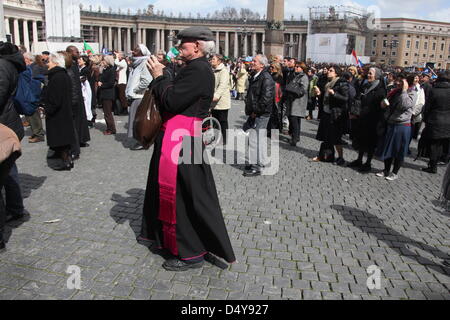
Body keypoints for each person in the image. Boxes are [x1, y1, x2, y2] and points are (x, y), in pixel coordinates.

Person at [141, 26, 236, 271]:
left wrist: (159, 76)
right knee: (177, 192)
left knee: (184, 195)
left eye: (183, 44)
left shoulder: (199, 69)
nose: (179, 47)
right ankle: (170, 241)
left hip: (183, 139)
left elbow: (171, 100)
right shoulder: (192, 67)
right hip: (177, 136)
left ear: (197, 46)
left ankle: (190, 253)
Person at [0, 42, 27, 250]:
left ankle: (15, 209)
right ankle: (16, 207)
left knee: (6, 173)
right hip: (9, 123)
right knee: (9, 171)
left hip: (4, 126)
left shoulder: (2, 66)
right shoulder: (10, 66)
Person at [375, 73, 417, 181]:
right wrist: (384, 103)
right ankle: (386, 170)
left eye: (401, 81)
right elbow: (386, 102)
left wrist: (404, 91)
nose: (398, 83)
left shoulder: (412, 93)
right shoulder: (394, 91)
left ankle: (394, 172)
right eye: (397, 81)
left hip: (402, 125)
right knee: (388, 148)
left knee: (398, 151)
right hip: (390, 122)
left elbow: (405, 105)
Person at [42, 53, 77, 171]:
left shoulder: (57, 77)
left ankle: (66, 162)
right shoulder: (63, 75)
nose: (48, 64)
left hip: (58, 114)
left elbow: (55, 99)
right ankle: (67, 161)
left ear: (56, 63)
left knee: (62, 140)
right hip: (63, 112)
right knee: (64, 141)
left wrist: (48, 109)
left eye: (50, 61)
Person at [348, 67, 386, 172]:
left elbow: (381, 107)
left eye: (370, 74)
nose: (368, 75)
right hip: (362, 118)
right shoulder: (365, 86)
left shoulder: (380, 90)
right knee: (361, 140)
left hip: (373, 120)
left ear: (377, 76)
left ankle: (368, 163)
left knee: (370, 143)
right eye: (368, 73)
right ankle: (359, 159)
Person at [244, 54, 275, 177]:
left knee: (255, 140)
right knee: (258, 139)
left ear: (262, 64)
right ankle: (258, 162)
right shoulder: (257, 76)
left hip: (260, 114)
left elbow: (266, 99)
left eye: (254, 61)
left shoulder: (266, 78)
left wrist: (255, 112)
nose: (252, 62)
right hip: (256, 112)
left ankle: (257, 166)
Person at [313, 65, 349, 165]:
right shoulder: (328, 83)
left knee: (336, 138)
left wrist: (334, 94)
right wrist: (319, 93)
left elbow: (345, 98)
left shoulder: (342, 83)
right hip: (326, 112)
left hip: (335, 114)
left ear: (336, 73)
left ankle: (341, 158)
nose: (328, 72)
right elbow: (325, 98)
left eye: (331, 70)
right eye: (328, 70)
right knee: (326, 136)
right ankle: (326, 156)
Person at [420, 70, 450, 173]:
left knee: (434, 144)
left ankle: (432, 166)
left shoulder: (434, 90)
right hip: (448, 121)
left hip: (435, 120)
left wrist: (426, 119)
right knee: (441, 144)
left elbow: (428, 107)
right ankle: (439, 161)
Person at [125, 44, 152, 150]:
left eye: (136, 50)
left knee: (139, 121)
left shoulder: (144, 63)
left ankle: (142, 141)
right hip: (135, 96)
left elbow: (147, 80)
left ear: (141, 52)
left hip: (139, 96)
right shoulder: (137, 63)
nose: (133, 51)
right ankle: (139, 139)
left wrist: (136, 89)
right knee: (135, 120)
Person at [66, 46, 91, 157]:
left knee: (81, 119)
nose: (79, 53)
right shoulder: (69, 64)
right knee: (76, 122)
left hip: (78, 95)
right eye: (76, 51)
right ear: (70, 52)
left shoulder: (75, 64)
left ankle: (82, 139)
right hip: (75, 95)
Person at [22, 52, 46, 143]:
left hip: (33, 95)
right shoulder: (32, 67)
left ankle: (38, 134)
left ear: (28, 60)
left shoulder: (34, 68)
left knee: (34, 115)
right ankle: (36, 133)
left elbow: (34, 83)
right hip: (32, 94)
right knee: (32, 115)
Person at [285, 62, 309, 146]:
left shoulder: (304, 77)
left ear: (303, 68)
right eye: (296, 66)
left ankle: (294, 139)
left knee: (294, 120)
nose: (296, 68)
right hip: (293, 100)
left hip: (298, 101)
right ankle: (296, 137)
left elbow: (304, 89)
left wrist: (293, 92)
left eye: (298, 67)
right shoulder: (295, 75)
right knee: (295, 120)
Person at [210, 54, 231, 145]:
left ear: (219, 61)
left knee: (223, 121)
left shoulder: (224, 71)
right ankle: (215, 137)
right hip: (213, 101)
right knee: (214, 121)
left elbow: (222, 85)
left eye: (214, 59)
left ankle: (225, 139)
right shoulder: (212, 70)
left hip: (221, 101)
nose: (212, 60)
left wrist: (216, 96)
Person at [98, 55, 117, 135]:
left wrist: (102, 85)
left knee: (108, 113)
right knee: (106, 112)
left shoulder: (111, 70)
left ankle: (111, 128)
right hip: (104, 93)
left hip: (108, 93)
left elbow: (111, 83)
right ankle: (109, 127)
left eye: (104, 61)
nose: (103, 62)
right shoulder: (106, 69)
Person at [78, 55, 94, 127]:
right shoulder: (80, 68)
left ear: (84, 61)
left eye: (80, 59)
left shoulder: (86, 70)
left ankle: (89, 121)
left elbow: (85, 79)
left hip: (86, 89)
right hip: (82, 88)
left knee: (87, 105)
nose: (78, 61)